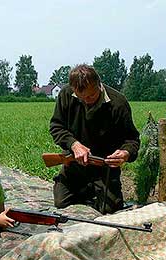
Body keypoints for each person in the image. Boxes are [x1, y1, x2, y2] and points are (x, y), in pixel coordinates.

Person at [49, 64, 140, 214]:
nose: (86, 101)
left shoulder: (118, 103)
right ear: (73, 89)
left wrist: (125, 153)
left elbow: (132, 139)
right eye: (81, 97)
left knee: (110, 210)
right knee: (61, 203)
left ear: (99, 85)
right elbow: (56, 126)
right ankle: (84, 189)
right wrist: (74, 144)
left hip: (104, 168)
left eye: (91, 96)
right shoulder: (66, 94)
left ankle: (95, 189)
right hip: (74, 164)